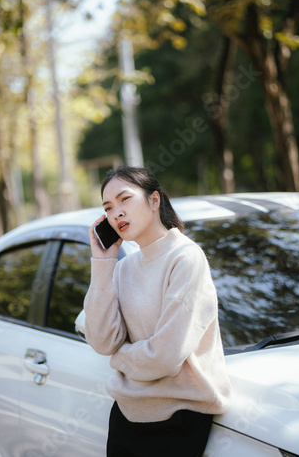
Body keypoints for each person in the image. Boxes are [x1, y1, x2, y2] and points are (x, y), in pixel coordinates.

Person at [83, 166, 232, 457]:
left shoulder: (186, 258)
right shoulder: (123, 268)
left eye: (125, 199)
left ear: (154, 201)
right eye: (109, 207)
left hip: (178, 420)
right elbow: (102, 341)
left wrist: (120, 357)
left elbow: (166, 356)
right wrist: (103, 263)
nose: (117, 213)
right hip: (125, 417)